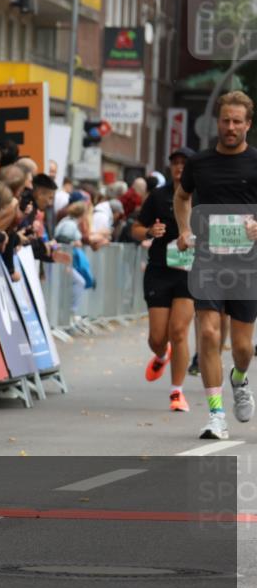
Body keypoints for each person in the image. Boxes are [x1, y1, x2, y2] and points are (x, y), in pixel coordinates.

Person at [174, 91, 257, 439]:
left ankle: (239, 378)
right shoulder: (200, 163)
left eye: (238, 121)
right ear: (217, 122)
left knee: (241, 347)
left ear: (248, 125)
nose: (231, 127)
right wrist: (184, 229)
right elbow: (182, 196)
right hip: (207, 260)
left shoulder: (255, 162)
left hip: (246, 264)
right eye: (226, 120)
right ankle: (216, 416)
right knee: (208, 333)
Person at [131, 147, 196, 413]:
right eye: (175, 163)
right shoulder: (158, 196)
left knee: (179, 332)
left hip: (189, 271)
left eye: (184, 163)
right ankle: (161, 354)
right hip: (159, 269)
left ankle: (176, 393)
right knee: (157, 337)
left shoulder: (202, 194)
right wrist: (148, 230)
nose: (179, 167)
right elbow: (135, 229)